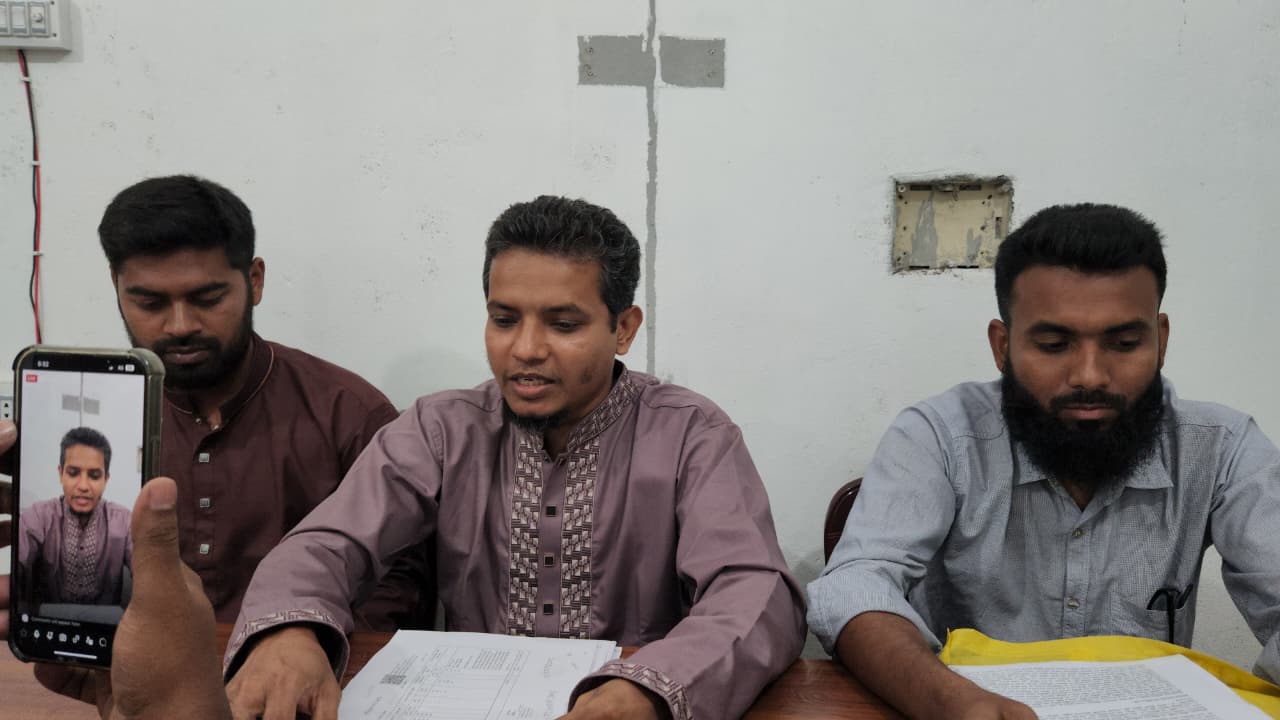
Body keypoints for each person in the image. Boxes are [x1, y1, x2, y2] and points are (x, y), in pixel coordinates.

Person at [222, 195, 806, 720]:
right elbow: (328, 543)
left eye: (564, 324)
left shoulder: (691, 435)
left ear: (624, 328)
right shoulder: (442, 429)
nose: (525, 349)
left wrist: (651, 690)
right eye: (504, 320)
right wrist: (290, 628)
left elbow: (756, 593)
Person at [808, 203, 1280, 719]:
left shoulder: (1223, 447)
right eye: (1054, 345)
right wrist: (946, 699)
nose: (1090, 375)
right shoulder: (939, 436)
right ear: (1002, 345)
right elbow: (856, 585)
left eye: (1124, 343)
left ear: (1160, 340)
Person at [90, 175, 430, 628]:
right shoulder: (94, 420)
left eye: (207, 299)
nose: (180, 325)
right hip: (129, 668)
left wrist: (303, 647)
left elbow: (398, 593)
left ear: (254, 281)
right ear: (116, 285)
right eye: (150, 303)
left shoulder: (348, 416)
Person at [16, 427, 132, 607]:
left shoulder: (124, 522)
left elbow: (149, 575)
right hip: (44, 624)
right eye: (73, 473)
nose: (83, 486)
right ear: (60, 473)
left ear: (106, 479)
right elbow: (17, 565)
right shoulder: (39, 517)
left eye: (94, 476)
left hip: (106, 625)